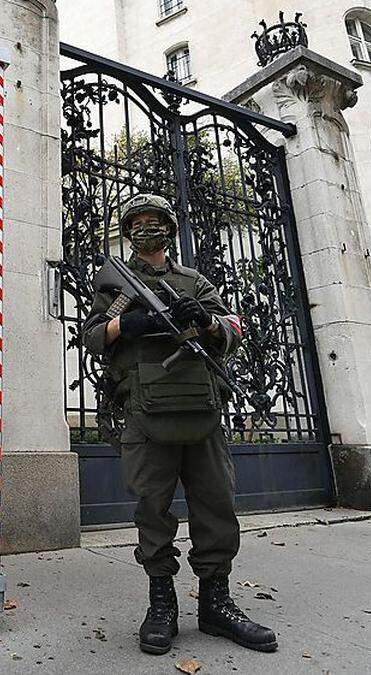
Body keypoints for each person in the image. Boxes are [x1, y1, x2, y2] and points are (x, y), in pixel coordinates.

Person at [81, 193, 277, 655]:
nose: (148, 229)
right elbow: (91, 337)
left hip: (201, 410)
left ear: (169, 228)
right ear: (129, 231)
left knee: (216, 505)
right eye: (139, 223)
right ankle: (162, 601)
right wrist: (126, 324)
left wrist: (206, 320)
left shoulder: (193, 280)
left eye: (156, 222)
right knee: (153, 508)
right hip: (145, 413)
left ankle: (216, 601)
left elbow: (234, 328)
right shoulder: (117, 284)